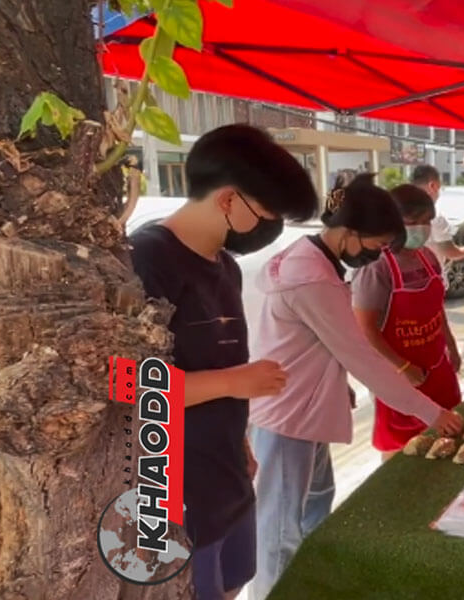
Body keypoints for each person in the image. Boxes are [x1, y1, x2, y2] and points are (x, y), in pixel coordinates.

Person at [246, 175, 464, 599]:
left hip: (309, 405)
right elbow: (362, 356)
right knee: (277, 532)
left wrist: (334, 383)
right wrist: (433, 414)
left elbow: (319, 343)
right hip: (287, 416)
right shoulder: (310, 277)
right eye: (376, 245)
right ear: (348, 233)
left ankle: (306, 585)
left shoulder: (318, 259)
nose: (379, 254)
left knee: (316, 501)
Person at [128, 124, 317, 600]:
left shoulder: (225, 265)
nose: (269, 230)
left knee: (233, 583)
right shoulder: (146, 257)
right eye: (267, 215)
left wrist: (240, 438)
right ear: (229, 200)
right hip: (174, 486)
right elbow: (128, 383)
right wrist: (237, 381)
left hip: (227, 470)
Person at [352, 184, 463, 461]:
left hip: (437, 366)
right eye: (413, 222)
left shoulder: (427, 257)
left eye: (426, 221)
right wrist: (402, 367)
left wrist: (451, 346)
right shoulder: (376, 266)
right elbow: (365, 330)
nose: (421, 229)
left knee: (448, 438)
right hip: (399, 375)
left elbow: (437, 309)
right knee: (402, 451)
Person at [411, 164, 464, 263]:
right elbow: (449, 251)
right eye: (440, 188)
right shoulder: (434, 217)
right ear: (433, 186)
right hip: (431, 274)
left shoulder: (402, 211)